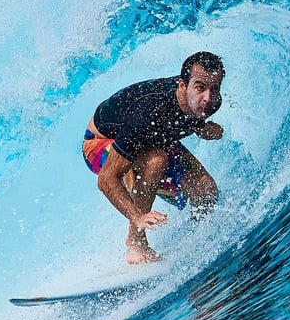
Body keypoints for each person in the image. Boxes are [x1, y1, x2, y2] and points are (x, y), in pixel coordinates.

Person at [82, 51, 225, 263]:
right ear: (182, 86)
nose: (208, 97)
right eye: (200, 87)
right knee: (156, 160)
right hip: (100, 144)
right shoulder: (147, 113)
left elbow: (185, 119)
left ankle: (198, 239)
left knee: (205, 189)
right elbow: (106, 179)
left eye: (214, 88)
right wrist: (137, 216)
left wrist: (202, 129)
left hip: (154, 141)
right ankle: (136, 243)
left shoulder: (209, 102)